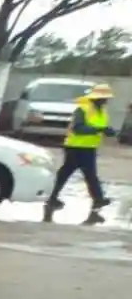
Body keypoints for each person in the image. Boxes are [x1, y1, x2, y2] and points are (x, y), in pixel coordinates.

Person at [43, 83, 114, 225]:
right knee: (76, 174)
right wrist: (100, 129)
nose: (106, 100)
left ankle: (53, 198)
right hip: (75, 147)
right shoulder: (83, 109)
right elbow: (78, 128)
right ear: (97, 98)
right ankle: (97, 199)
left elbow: (98, 127)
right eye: (104, 98)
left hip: (89, 147)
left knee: (74, 174)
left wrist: (106, 130)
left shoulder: (101, 111)